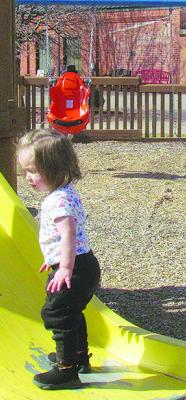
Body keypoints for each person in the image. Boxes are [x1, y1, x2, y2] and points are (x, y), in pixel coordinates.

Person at [17, 129, 101, 390]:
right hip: (84, 265)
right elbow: (61, 239)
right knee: (73, 311)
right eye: (25, 171)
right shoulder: (66, 192)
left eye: (33, 171)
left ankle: (66, 371)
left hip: (74, 267)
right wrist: (53, 259)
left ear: (54, 168)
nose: (28, 178)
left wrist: (64, 267)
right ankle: (77, 356)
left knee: (58, 314)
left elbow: (68, 234)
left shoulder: (58, 201)